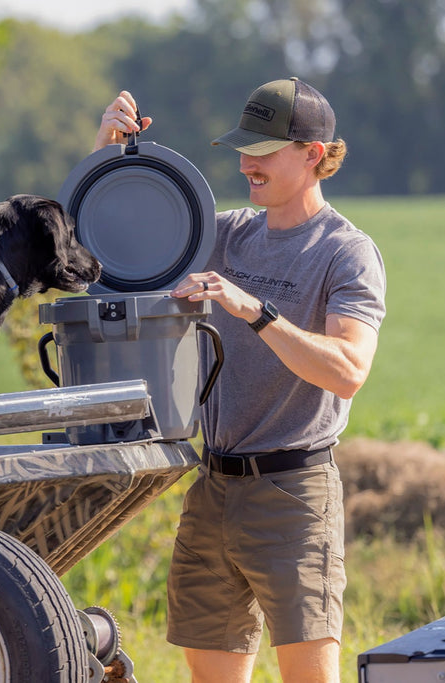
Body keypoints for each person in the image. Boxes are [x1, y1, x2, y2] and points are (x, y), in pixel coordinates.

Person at [93, 78, 386, 683]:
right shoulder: (226, 233)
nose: (247, 163)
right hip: (213, 487)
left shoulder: (345, 252)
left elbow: (348, 371)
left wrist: (253, 309)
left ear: (313, 153)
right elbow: (107, 255)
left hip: (293, 494)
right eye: (242, 149)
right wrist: (107, 156)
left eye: (264, 150)